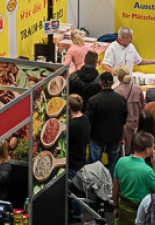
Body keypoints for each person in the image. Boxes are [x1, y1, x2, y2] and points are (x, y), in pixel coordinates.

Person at [114, 132, 155, 224]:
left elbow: (115, 188)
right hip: (141, 214)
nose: (153, 149)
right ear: (147, 149)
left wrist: (115, 207)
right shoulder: (147, 171)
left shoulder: (121, 162)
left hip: (123, 211)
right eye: (153, 147)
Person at [86, 72, 127, 174]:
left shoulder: (93, 100)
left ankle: (95, 182)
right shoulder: (121, 99)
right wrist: (122, 137)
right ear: (112, 82)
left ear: (100, 82)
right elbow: (123, 121)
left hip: (97, 136)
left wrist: (88, 137)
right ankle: (111, 182)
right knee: (113, 164)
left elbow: (89, 122)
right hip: (115, 136)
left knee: (95, 165)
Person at [68, 94, 90, 222]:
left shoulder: (72, 125)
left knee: (74, 194)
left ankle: (76, 218)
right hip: (81, 160)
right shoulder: (85, 118)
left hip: (73, 163)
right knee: (79, 191)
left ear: (69, 107)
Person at [115, 66, 145, 156]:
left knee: (125, 153)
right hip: (138, 125)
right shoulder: (138, 88)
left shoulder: (116, 91)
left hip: (124, 128)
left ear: (118, 77)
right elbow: (142, 105)